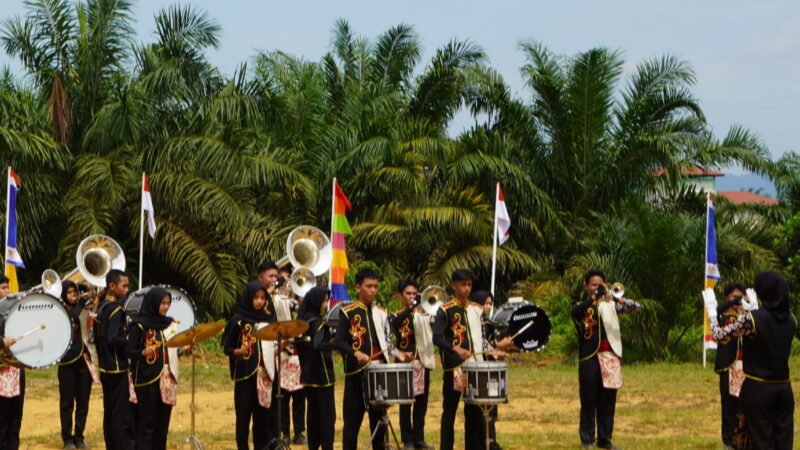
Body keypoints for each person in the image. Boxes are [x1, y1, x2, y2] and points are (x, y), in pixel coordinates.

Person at [705, 271, 796, 450]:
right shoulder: (791, 319)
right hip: (784, 388)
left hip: (758, 388)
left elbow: (719, 335)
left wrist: (712, 312)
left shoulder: (753, 319)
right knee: (783, 442)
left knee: (760, 441)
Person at [333, 268, 410, 450]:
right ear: (358, 287)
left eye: (375, 286)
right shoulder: (348, 312)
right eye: (369, 286)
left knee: (379, 422)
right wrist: (355, 353)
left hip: (379, 373)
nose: (373, 290)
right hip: (356, 374)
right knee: (352, 424)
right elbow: (338, 342)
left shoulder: (381, 313)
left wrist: (399, 354)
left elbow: (385, 343)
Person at [432, 269, 507, 450]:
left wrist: (494, 351)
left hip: (475, 367)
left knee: (474, 411)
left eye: (469, 285)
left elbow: (480, 339)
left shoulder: (476, 309)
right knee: (449, 413)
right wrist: (455, 348)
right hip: (454, 369)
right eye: (463, 285)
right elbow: (437, 338)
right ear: (454, 285)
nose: (466, 289)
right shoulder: (444, 310)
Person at [571, 269, 640, 450]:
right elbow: (575, 313)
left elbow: (636, 307)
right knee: (588, 400)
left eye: (600, 285)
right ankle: (587, 440)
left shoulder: (611, 305)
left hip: (610, 358)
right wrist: (594, 298)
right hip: (590, 358)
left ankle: (605, 439)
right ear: (586, 286)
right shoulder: (583, 305)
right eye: (593, 285)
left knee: (608, 401)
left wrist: (617, 298)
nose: (597, 288)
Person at [223, 281, 273, 450]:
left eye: (262, 298)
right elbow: (227, 348)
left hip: (264, 374)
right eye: (256, 298)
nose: (259, 301)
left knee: (262, 417)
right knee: (243, 416)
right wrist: (240, 350)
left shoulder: (268, 320)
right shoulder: (238, 320)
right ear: (249, 298)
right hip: (244, 376)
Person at [390, 280, 435, 450]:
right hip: (405, 363)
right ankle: (407, 439)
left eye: (415, 293)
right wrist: (409, 309)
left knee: (421, 402)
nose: (412, 297)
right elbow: (393, 325)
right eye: (408, 293)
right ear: (401, 295)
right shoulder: (396, 314)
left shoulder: (424, 315)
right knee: (405, 402)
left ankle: (419, 437)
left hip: (421, 362)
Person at [127, 287, 174, 450]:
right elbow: (128, 350)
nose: (166, 307)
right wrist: (142, 352)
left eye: (168, 303)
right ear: (153, 303)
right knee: (147, 424)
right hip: (146, 380)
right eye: (162, 303)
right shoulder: (139, 325)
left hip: (165, 380)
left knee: (162, 424)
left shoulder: (169, 324)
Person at [93, 269, 134, 450]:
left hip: (104, 367)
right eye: (124, 286)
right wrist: (130, 339)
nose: (127, 289)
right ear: (112, 287)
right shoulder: (117, 310)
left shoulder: (100, 307)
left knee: (109, 411)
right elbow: (112, 338)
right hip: (117, 368)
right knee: (120, 414)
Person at [296, 286, 337, 450]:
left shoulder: (301, 323)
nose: (325, 304)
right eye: (324, 300)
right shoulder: (319, 324)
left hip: (308, 376)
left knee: (312, 416)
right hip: (323, 377)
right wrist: (334, 343)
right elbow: (318, 345)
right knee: (327, 418)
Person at [272, 265, 306, 446]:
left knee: (300, 395)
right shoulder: (275, 299)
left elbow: (301, 315)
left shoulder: (298, 301)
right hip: (282, 351)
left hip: (298, 351)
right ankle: (284, 431)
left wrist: (299, 297)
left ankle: (299, 431)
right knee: (283, 395)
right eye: (284, 279)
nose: (288, 283)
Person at [712, 282, 748, 450]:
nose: (738, 300)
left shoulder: (748, 315)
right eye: (734, 296)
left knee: (744, 405)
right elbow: (717, 311)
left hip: (746, 367)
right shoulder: (722, 314)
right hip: (729, 365)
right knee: (729, 406)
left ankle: (742, 440)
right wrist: (734, 302)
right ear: (727, 298)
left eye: (741, 296)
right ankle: (728, 442)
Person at [57, 280, 92, 449]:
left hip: (84, 360)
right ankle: (67, 438)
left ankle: (79, 436)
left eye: (75, 292)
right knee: (67, 402)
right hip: (67, 361)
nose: (74, 295)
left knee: (83, 401)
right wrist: (82, 303)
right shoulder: (60, 310)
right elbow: (71, 319)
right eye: (70, 292)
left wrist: (91, 293)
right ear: (64, 294)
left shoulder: (83, 307)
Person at [470, 291, 504, 450]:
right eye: (486, 303)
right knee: (481, 408)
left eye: (490, 303)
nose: (488, 306)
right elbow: (481, 343)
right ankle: (484, 440)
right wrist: (495, 350)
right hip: (478, 368)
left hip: (491, 367)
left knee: (492, 405)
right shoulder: (474, 322)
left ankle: (492, 439)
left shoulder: (490, 324)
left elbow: (492, 343)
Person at [0, 274, 24, 450]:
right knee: (2, 418)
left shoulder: (14, 311)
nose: (7, 291)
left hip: (16, 369)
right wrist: (2, 342)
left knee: (16, 416)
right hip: (1, 372)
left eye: (8, 287)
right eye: (3, 287)